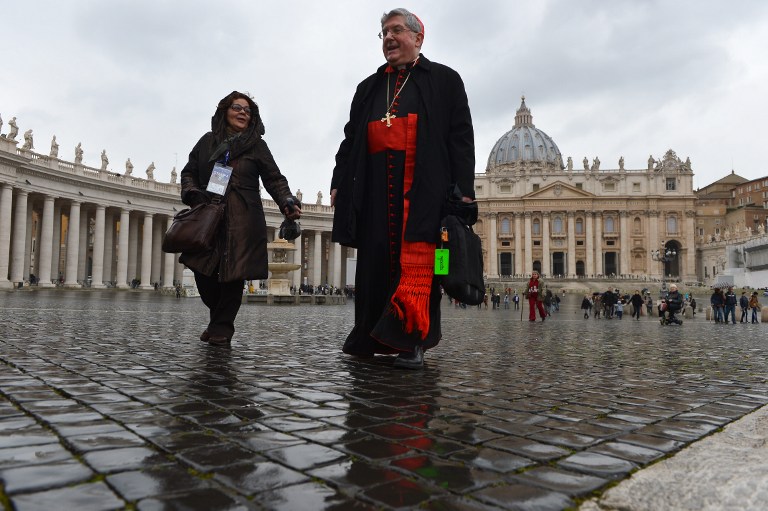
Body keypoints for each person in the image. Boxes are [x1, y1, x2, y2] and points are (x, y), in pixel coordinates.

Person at [330, 9, 475, 369]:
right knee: (373, 265)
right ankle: (367, 335)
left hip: (424, 190)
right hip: (375, 188)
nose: (389, 38)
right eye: (383, 33)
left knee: (419, 264)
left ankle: (412, 342)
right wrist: (338, 181)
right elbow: (350, 140)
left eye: (396, 30)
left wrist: (465, 190)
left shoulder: (444, 80)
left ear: (418, 37)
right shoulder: (368, 87)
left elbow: (461, 139)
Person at [179, 91, 301, 345]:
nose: (243, 112)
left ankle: (222, 328)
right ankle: (217, 320)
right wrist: (192, 193)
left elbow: (273, 178)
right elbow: (189, 172)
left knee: (233, 275)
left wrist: (287, 200)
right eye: (237, 107)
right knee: (203, 271)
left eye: (248, 110)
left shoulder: (257, 145)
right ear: (225, 110)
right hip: (208, 214)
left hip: (243, 218)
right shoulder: (207, 142)